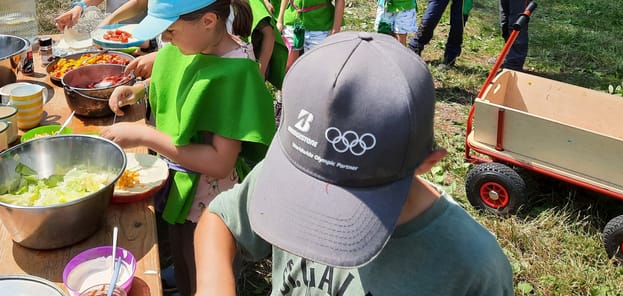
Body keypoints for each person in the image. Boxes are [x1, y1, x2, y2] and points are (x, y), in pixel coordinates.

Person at [194, 32, 514, 296]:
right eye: (309, 184)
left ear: (427, 162)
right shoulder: (291, 173)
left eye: (350, 199)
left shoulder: (471, 266)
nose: (318, 200)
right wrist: (213, 285)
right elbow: (221, 218)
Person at [102, 0, 275, 296]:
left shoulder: (235, 73)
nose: (165, 40)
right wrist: (138, 89)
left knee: (204, 271)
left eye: (170, 30)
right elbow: (176, 75)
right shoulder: (190, 43)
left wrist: (143, 134)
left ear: (209, 20)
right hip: (177, 181)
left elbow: (219, 161)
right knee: (180, 252)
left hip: (209, 197)